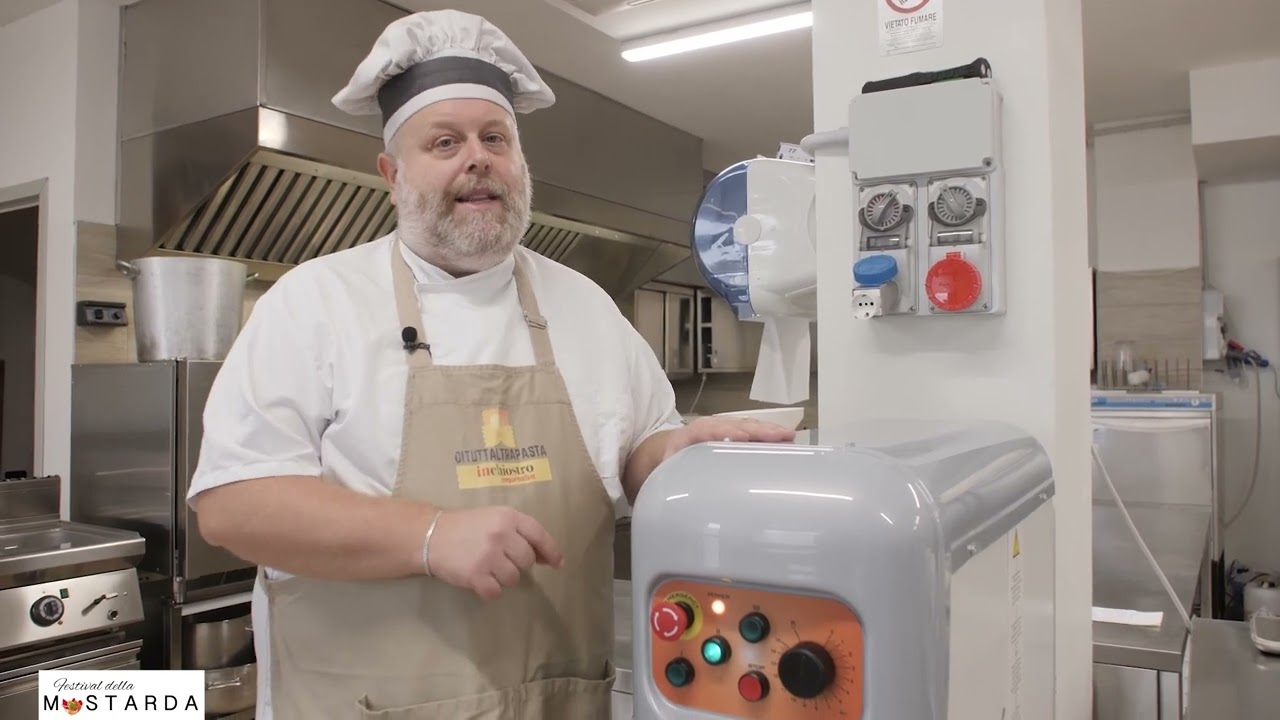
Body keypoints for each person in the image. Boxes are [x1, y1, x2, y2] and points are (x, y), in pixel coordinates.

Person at [185, 9, 795, 720]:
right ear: (391, 172)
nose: (477, 158)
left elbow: (634, 451)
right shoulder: (313, 304)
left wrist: (674, 452)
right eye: (444, 142)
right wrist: (429, 535)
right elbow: (234, 505)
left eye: (494, 138)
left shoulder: (586, 307)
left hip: (558, 701)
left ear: (520, 165)